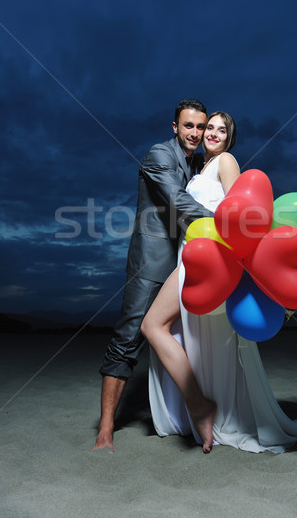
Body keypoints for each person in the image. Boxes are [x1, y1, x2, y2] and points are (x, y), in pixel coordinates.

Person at [141, 111, 297, 454]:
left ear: (230, 138)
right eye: (209, 128)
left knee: (155, 325)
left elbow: (243, 215)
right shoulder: (201, 167)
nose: (213, 134)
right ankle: (202, 408)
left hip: (212, 254)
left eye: (221, 129)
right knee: (187, 335)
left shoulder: (226, 162)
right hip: (195, 252)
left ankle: (204, 407)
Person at [94, 99, 213, 452]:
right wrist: (226, 225)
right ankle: (104, 429)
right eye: (188, 126)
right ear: (175, 127)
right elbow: (177, 200)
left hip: (183, 262)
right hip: (150, 262)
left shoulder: (198, 164)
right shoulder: (158, 155)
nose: (195, 133)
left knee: (184, 336)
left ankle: (190, 414)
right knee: (128, 338)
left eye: (200, 127)